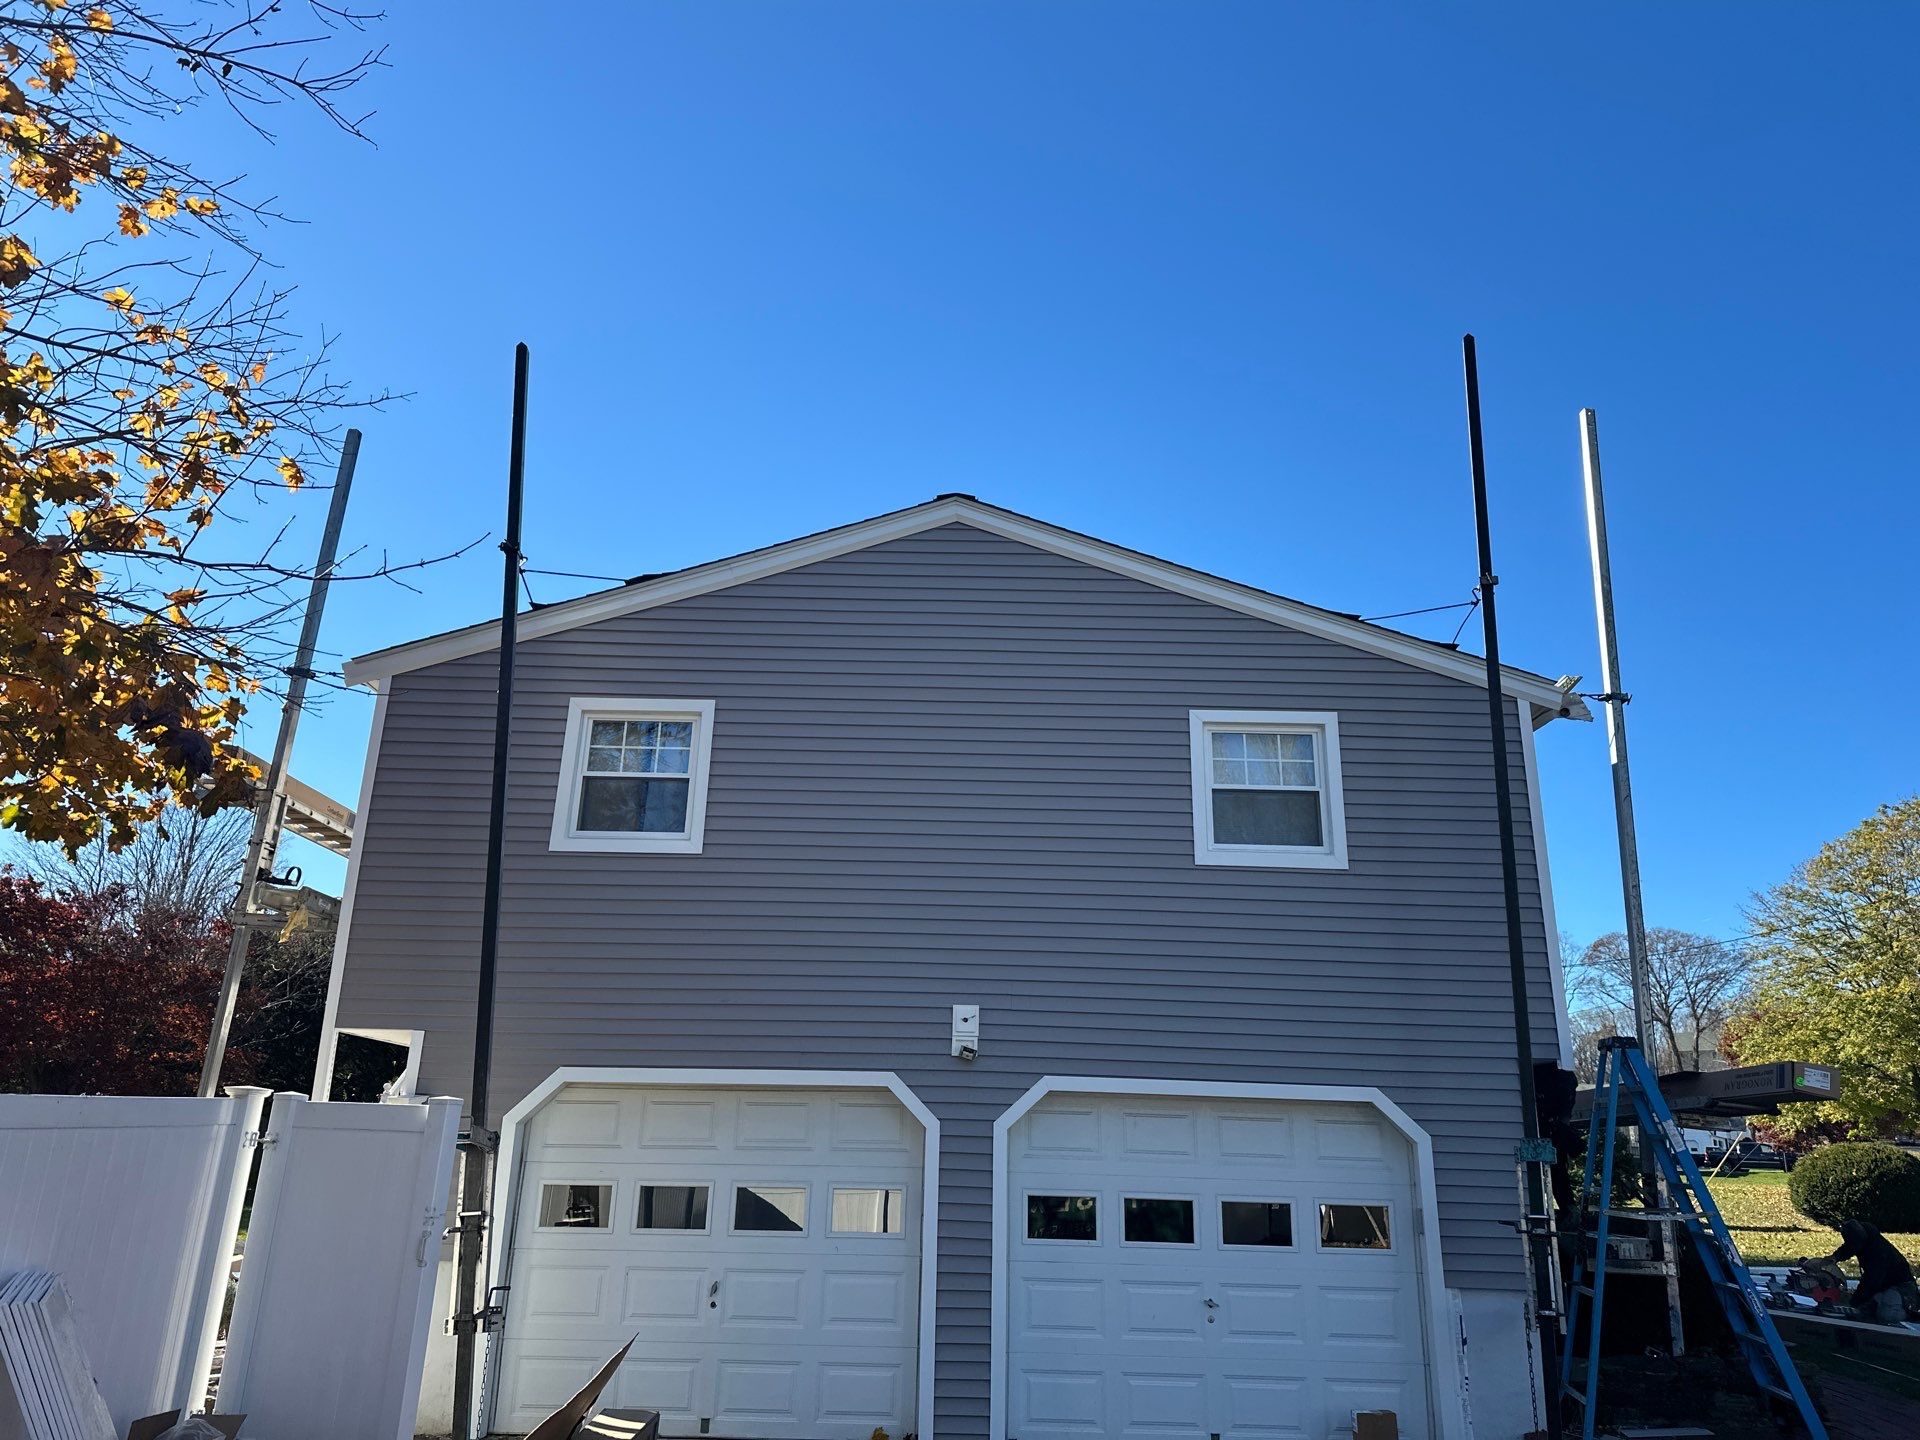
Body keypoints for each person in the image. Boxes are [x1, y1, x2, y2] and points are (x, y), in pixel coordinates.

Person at [1804, 1219, 1920, 1324]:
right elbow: (1850, 1247)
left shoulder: (1879, 1254)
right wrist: (1835, 1257)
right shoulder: (1864, 1237)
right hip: (1882, 1285)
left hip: (1902, 1288)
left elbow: (1871, 1281)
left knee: (1886, 1314)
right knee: (1868, 1306)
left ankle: (1910, 1317)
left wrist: (1855, 1301)